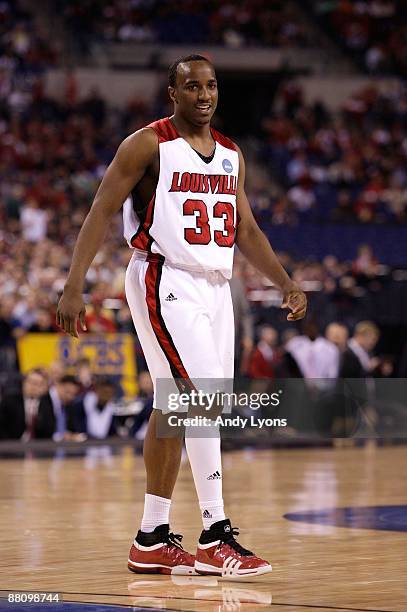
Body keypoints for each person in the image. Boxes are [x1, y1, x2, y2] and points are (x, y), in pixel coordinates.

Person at [56, 54, 307, 578]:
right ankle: (215, 534)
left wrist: (282, 280)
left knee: (176, 406)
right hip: (164, 277)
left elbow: (247, 230)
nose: (204, 95)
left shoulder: (232, 154)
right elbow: (101, 209)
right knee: (202, 401)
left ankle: (151, 537)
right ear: (173, 93)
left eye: (211, 85)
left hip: (216, 287)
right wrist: (74, 284)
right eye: (193, 86)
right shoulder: (147, 144)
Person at [0, 368, 54, 440]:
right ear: (24, 383)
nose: (33, 387)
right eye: (30, 382)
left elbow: (49, 430)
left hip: (38, 446)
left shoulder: (46, 403)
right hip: (12, 445)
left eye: (38, 384)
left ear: (44, 388)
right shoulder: (10, 400)